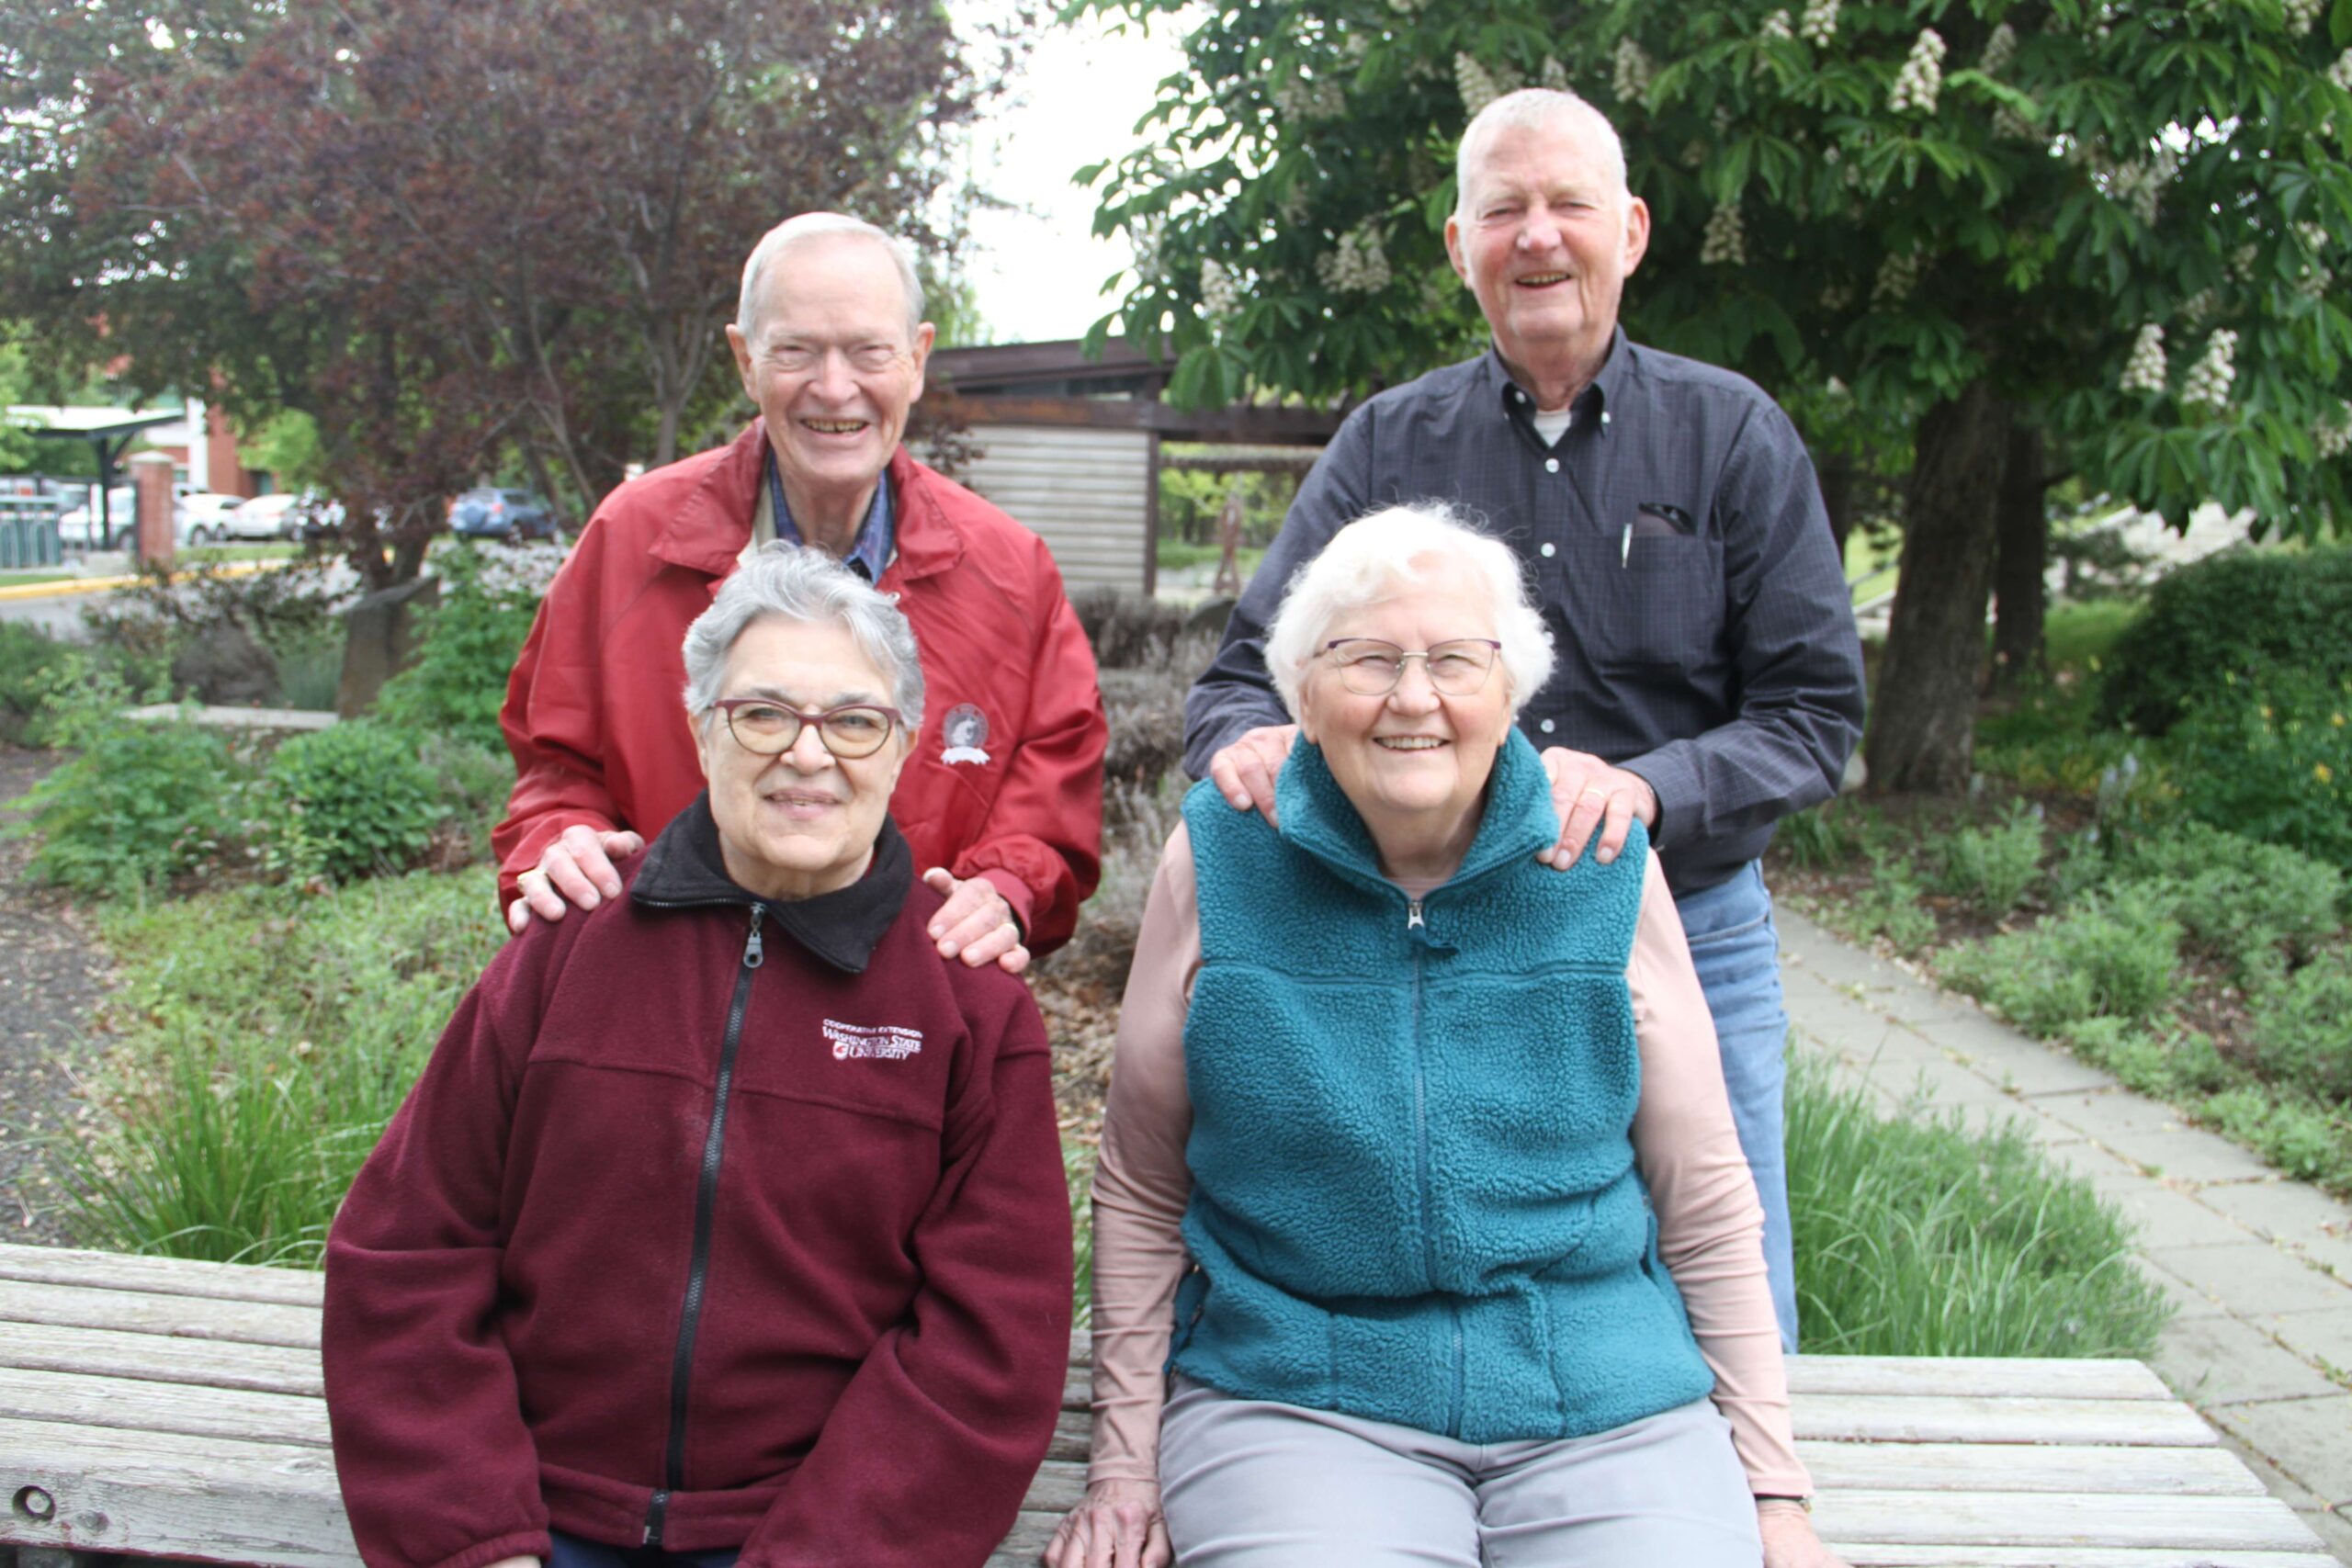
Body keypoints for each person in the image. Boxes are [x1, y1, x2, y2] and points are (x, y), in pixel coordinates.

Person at [1186, 89, 1866, 1348]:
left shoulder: (1732, 435)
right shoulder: (1387, 444)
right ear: (1461, 246)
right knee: (1471, 1270)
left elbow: (1814, 712)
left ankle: (1748, 1468)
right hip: (1433, 939)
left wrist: (1650, 788)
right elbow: (1239, 680)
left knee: (1730, 1275)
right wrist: (1259, 749)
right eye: (1504, 210)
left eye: (1569, 205)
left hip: (1689, 920)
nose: (1538, 236)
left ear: (1633, 230)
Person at [1047, 508, 1841, 1568]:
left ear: (1510, 690)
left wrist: (1775, 1495)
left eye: (1456, 661)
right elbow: (1143, 1187)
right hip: (1300, 1403)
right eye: (1368, 659)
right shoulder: (1224, 857)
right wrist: (1122, 1472)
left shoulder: (1603, 860)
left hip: (1600, 1400)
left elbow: (1703, 1196)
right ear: (1301, 693)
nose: (1414, 698)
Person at [325, 545, 1074, 1568]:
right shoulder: (567, 947)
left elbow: (990, 1344)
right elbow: (409, 1251)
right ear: (700, 729)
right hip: (532, 1514)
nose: (807, 754)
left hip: (808, 1533)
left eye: (853, 721)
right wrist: (474, 1537)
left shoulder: (969, 1008)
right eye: (762, 714)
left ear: (903, 746)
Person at [496, 211, 1107, 974]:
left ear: (917, 359)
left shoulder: (1012, 572)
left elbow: (1051, 796)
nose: (835, 387)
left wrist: (1004, 889)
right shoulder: (629, 541)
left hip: (898, 1004)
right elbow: (555, 765)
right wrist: (562, 838)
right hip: (660, 983)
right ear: (745, 361)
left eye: (868, 351)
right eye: (796, 351)